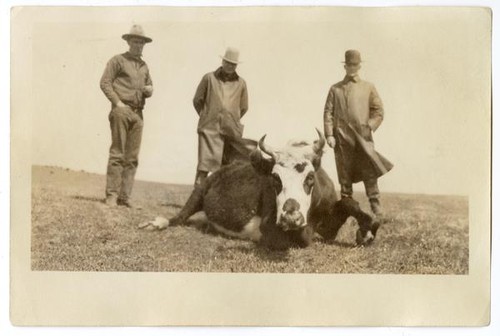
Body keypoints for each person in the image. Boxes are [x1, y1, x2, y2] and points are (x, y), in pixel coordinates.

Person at [323, 50, 393, 216]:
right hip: (341, 140)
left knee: (370, 174)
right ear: (344, 66)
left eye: (355, 64)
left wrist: (369, 126)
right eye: (349, 65)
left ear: (359, 66)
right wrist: (330, 135)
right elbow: (328, 113)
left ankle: (377, 212)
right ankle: (347, 211)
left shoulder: (368, 87)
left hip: (363, 139)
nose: (352, 68)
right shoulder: (335, 89)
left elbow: (379, 111)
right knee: (344, 178)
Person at [100, 25, 154, 208]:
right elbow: (105, 82)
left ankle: (125, 197)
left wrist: (149, 90)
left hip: (138, 114)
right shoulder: (118, 60)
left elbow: (149, 86)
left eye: (141, 42)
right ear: (129, 42)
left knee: (132, 157)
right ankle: (112, 196)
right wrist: (117, 103)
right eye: (135, 41)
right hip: (121, 111)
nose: (138, 45)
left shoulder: (144, 66)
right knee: (117, 153)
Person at [192, 47, 255, 187]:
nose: (230, 66)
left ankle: (217, 200)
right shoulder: (209, 78)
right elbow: (197, 100)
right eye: (227, 62)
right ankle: (196, 199)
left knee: (226, 167)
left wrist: (230, 119)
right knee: (204, 166)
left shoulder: (241, 83)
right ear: (222, 61)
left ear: (236, 66)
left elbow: (244, 107)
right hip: (209, 129)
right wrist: (208, 115)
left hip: (230, 131)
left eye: (233, 64)